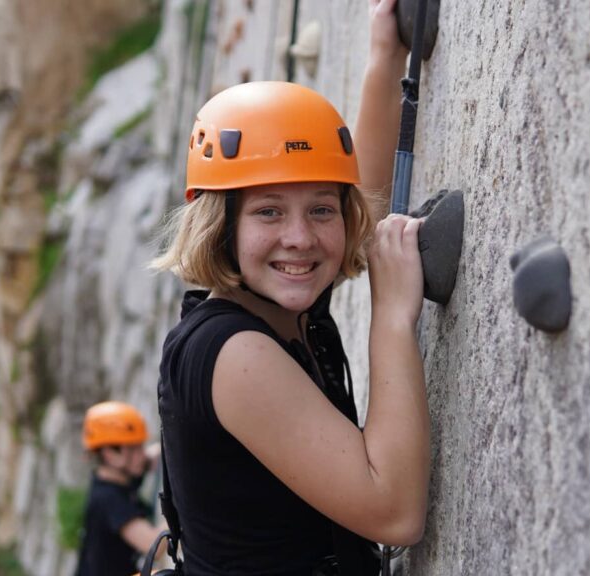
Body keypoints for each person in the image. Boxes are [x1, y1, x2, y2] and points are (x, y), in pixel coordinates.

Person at [150, 0, 428, 573]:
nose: (300, 238)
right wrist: (392, 319)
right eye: (269, 213)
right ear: (220, 225)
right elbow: (394, 513)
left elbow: (363, 197)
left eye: (320, 211)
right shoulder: (236, 354)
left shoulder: (272, 304)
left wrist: (385, 57)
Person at [75, 401, 162, 576]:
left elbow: (154, 456)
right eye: (133, 448)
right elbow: (154, 543)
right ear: (109, 454)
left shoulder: (122, 474)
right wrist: (189, 506)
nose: (142, 454)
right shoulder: (107, 499)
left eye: (140, 445)